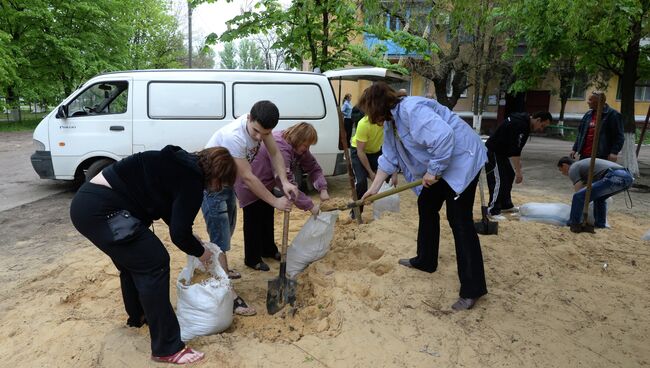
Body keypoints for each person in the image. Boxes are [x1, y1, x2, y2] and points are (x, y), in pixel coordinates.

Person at [69, 145, 237, 364]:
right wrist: (202, 252)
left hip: (87, 204)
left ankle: (139, 316)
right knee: (154, 262)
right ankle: (167, 348)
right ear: (216, 175)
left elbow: (171, 211)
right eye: (221, 185)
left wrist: (190, 237)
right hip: (103, 210)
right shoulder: (193, 180)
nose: (217, 190)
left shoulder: (180, 162)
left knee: (133, 261)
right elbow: (178, 234)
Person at [359, 82, 488, 311]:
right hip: (440, 165)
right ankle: (426, 260)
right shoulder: (391, 124)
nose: (373, 120)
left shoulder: (412, 110)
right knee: (426, 204)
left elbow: (444, 137)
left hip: (462, 160)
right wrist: (375, 188)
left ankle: (472, 289)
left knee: (459, 220)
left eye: (373, 114)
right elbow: (389, 157)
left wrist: (434, 171)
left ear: (382, 106)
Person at [202, 100, 298, 281]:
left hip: (227, 183)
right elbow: (247, 177)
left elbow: (275, 153)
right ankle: (222, 278)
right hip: (212, 186)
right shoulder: (234, 137)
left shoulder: (262, 127)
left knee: (227, 228)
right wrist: (275, 201)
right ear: (249, 118)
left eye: (266, 133)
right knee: (220, 234)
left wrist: (284, 181)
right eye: (256, 131)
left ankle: (222, 268)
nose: (260, 137)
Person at [235, 122, 330, 269]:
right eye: (306, 145)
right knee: (253, 220)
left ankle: (268, 250)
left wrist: (322, 189)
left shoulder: (299, 148)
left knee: (267, 215)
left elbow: (313, 167)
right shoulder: (281, 146)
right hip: (249, 184)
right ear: (298, 139)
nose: (307, 149)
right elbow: (286, 182)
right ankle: (252, 259)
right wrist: (310, 206)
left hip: (266, 184)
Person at [485, 111, 552, 217]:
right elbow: (515, 151)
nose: (541, 129)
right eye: (542, 125)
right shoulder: (520, 124)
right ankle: (492, 210)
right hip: (494, 151)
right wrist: (519, 172)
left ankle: (505, 205)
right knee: (499, 179)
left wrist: (518, 164)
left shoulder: (525, 123)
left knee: (509, 175)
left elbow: (516, 146)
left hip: (502, 153)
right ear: (538, 120)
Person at [557, 156, 633, 232]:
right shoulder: (583, 166)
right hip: (628, 177)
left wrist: (577, 208)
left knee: (578, 197)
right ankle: (600, 225)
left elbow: (579, 191)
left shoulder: (573, 168)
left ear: (564, 165)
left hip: (615, 175)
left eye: (561, 170)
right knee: (599, 198)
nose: (563, 173)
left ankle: (574, 224)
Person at [349, 108, 395, 219]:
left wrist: (394, 173)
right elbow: (360, 152)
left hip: (375, 151)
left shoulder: (389, 122)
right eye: (380, 120)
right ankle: (356, 212)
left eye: (384, 119)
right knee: (361, 182)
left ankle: (383, 213)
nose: (383, 123)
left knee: (388, 177)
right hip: (359, 151)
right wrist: (370, 172)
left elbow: (392, 148)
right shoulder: (364, 124)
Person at [570, 91, 624, 162]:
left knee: (598, 173)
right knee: (583, 172)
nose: (588, 102)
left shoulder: (613, 115)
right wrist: (574, 149)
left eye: (590, 100)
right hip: (585, 154)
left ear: (598, 102)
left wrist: (614, 152)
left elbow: (619, 136)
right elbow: (581, 133)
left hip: (602, 155)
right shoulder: (588, 114)